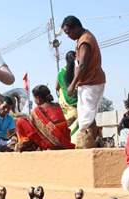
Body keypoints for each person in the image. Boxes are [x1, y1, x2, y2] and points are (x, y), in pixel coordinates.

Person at [61, 16, 106, 148]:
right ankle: (93, 143)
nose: (68, 36)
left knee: (85, 121)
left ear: (76, 27)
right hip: (87, 83)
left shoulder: (85, 41)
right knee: (87, 117)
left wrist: (72, 85)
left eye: (68, 32)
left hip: (91, 83)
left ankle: (87, 147)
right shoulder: (82, 39)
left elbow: (82, 66)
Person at [15, 85, 75, 151]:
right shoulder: (57, 106)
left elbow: (31, 124)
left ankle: (25, 142)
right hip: (65, 141)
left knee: (20, 121)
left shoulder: (37, 110)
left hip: (51, 144)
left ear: (38, 98)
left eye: (34, 98)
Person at [55, 51, 78, 141]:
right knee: (77, 125)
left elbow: (56, 87)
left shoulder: (61, 71)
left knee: (67, 125)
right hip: (74, 103)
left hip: (63, 103)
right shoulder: (76, 70)